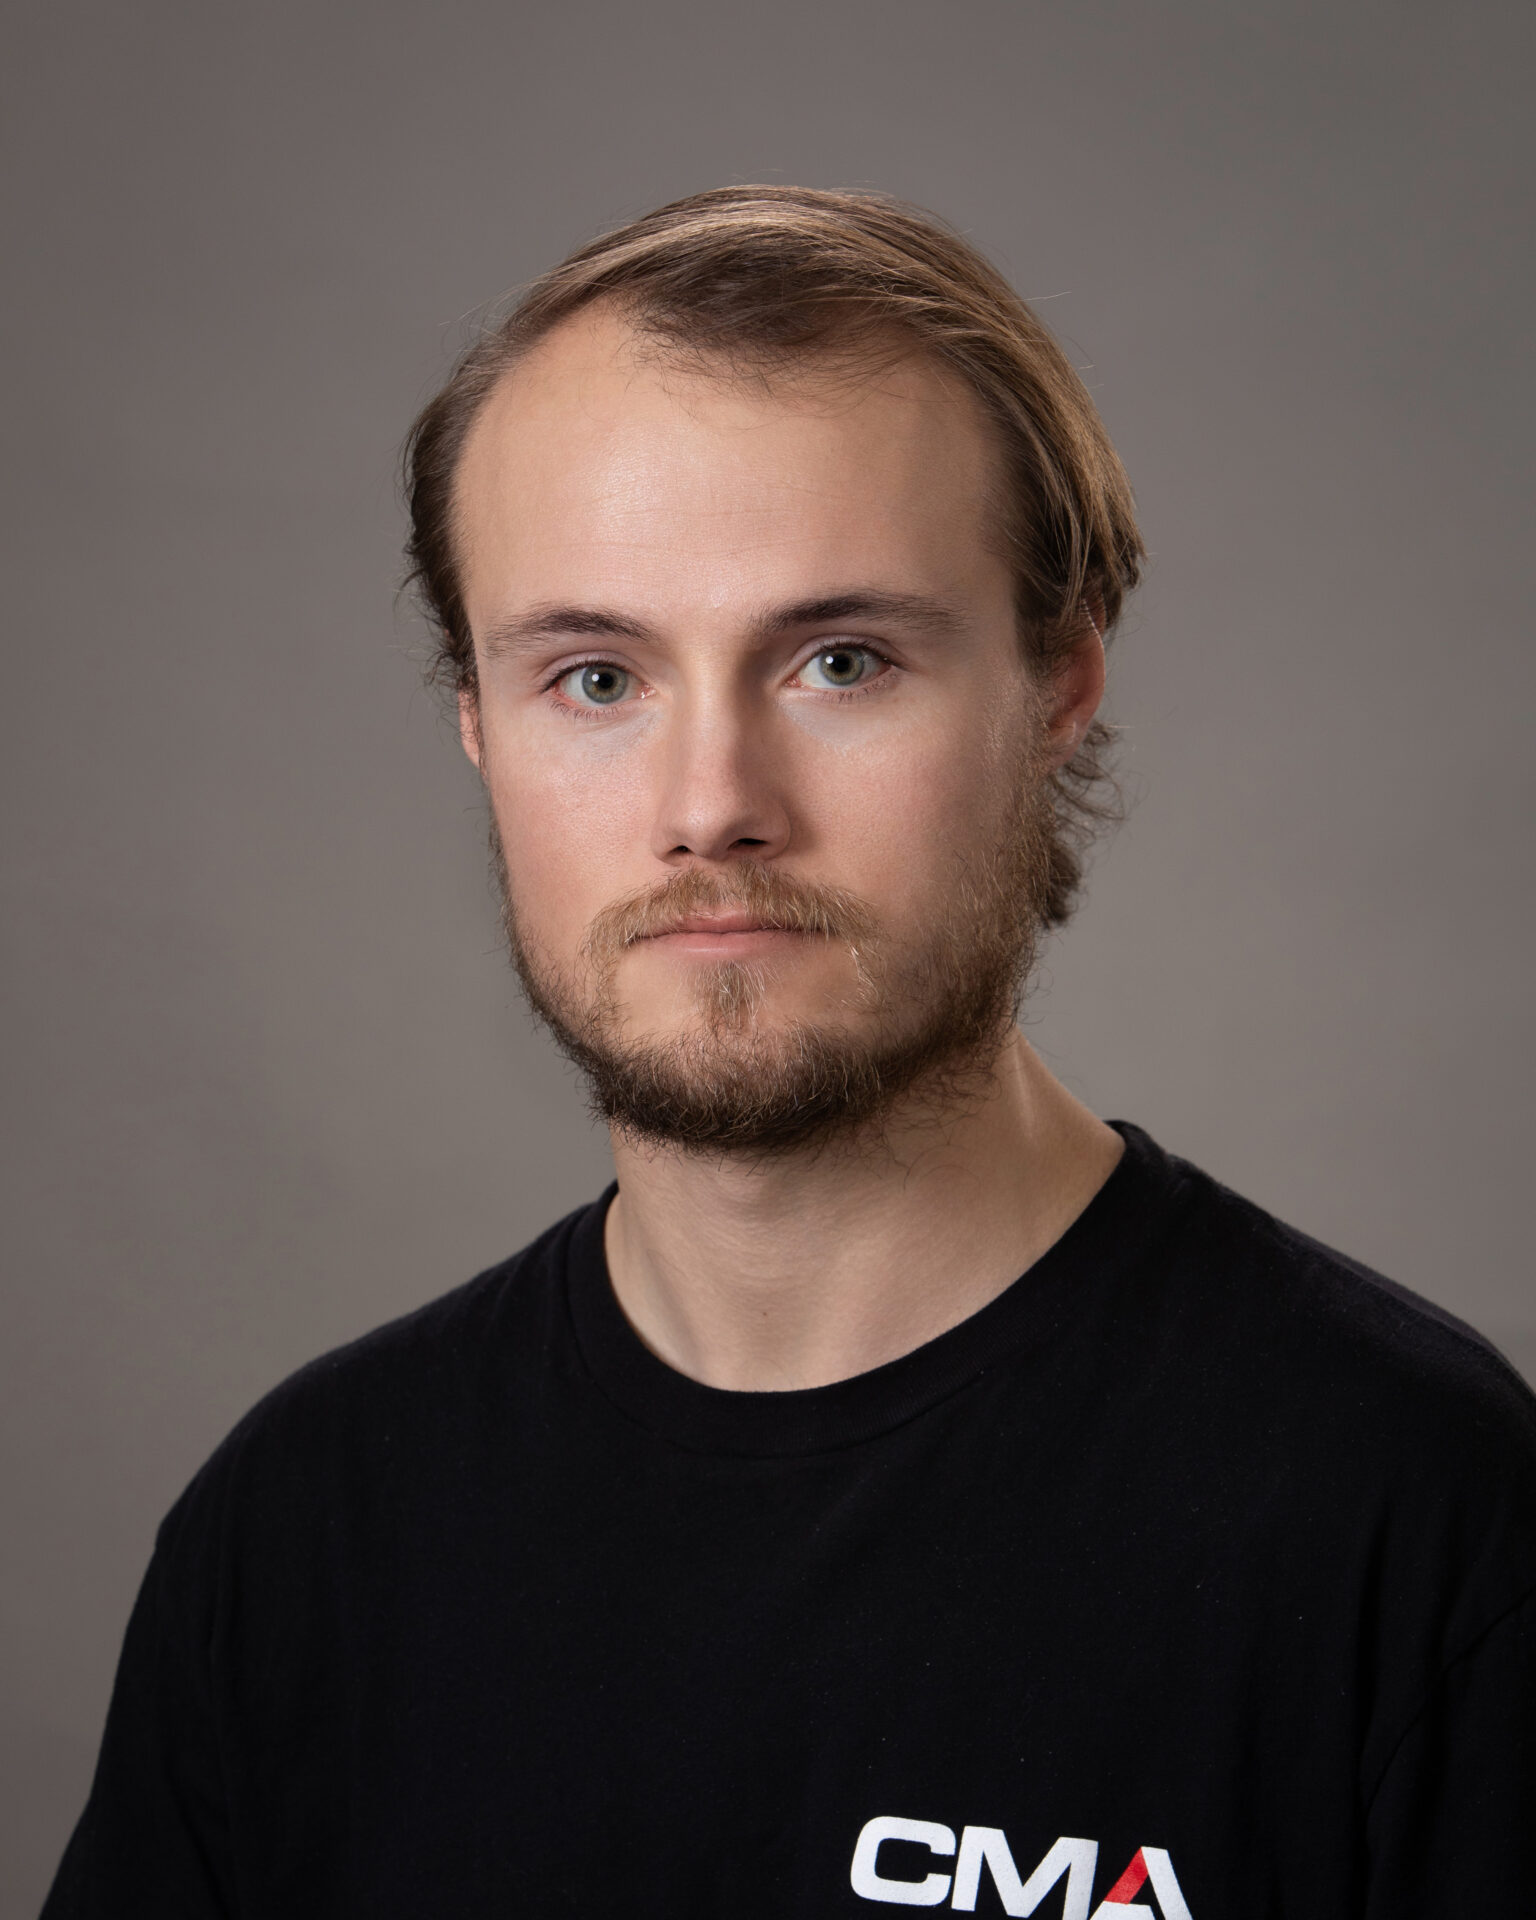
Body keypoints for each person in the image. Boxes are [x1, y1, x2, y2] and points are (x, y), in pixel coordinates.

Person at [44, 186, 1535, 1919]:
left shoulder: (1422, 1523)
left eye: (840, 661)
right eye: (596, 678)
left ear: (1059, 688)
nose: (711, 808)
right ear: (477, 726)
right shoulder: (297, 1535)